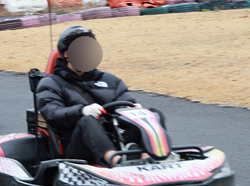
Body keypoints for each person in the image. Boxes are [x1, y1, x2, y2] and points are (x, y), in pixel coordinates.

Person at [36, 26, 159, 168]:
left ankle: (150, 159)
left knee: (153, 115)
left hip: (115, 138)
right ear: (66, 54)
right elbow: (52, 114)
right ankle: (116, 163)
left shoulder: (110, 80)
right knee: (87, 121)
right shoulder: (51, 83)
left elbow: (127, 104)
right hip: (78, 148)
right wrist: (81, 111)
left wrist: (131, 110)